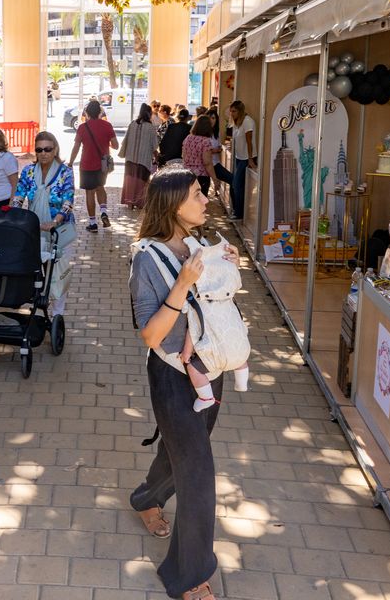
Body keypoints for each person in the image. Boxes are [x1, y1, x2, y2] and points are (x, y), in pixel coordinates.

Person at [128, 166, 238, 600]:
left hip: (211, 369)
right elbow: (151, 335)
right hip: (173, 377)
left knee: (178, 454)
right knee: (199, 475)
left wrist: (223, 271)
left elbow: (215, 304)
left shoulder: (202, 245)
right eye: (196, 194)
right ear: (172, 203)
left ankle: (146, 498)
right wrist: (184, 284)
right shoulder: (147, 258)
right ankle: (190, 575)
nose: (204, 200)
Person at [11, 131, 76, 316]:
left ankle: (57, 313)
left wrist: (56, 220)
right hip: (35, 227)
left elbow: (68, 199)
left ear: (55, 149)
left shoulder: (65, 172)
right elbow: (19, 194)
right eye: (39, 149)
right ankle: (39, 308)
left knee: (56, 271)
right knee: (36, 270)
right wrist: (15, 212)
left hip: (59, 229)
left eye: (47, 149)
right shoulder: (29, 171)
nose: (43, 153)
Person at [69, 99, 118, 232]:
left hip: (86, 165)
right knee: (100, 187)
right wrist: (104, 142)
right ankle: (103, 211)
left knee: (89, 193)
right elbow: (116, 145)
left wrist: (70, 162)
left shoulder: (82, 127)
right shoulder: (107, 126)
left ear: (87, 113)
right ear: (100, 112)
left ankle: (93, 223)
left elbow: (76, 147)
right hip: (103, 165)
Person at [218, 100, 254, 220]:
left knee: (236, 184)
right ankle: (239, 211)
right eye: (231, 111)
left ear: (240, 111)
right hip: (239, 157)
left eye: (234, 111)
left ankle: (239, 213)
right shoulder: (237, 122)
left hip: (246, 158)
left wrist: (250, 159)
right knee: (239, 185)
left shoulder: (248, 122)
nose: (232, 114)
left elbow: (249, 141)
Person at [120, 103, 158, 209]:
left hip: (130, 158)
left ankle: (130, 203)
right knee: (141, 181)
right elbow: (154, 146)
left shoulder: (132, 124)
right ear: (149, 114)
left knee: (130, 180)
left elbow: (125, 140)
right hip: (144, 159)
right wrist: (157, 158)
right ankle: (139, 203)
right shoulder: (150, 127)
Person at [183, 116, 216, 196]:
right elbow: (207, 163)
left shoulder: (188, 138)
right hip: (201, 176)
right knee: (201, 204)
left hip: (187, 174)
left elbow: (183, 155)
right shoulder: (205, 141)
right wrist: (215, 179)